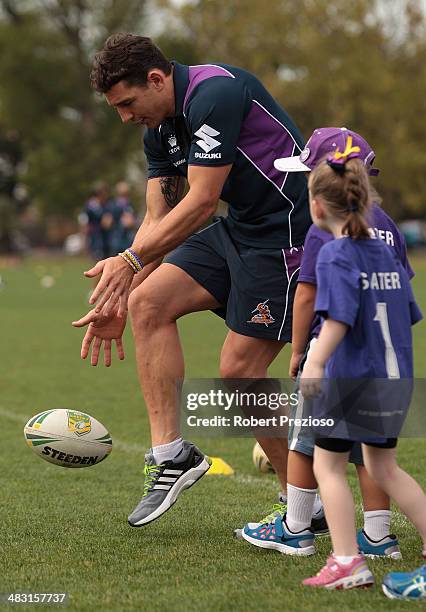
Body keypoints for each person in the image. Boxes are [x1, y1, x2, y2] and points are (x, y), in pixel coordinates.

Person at [72, 33, 312, 527]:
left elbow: (201, 201)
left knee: (240, 373)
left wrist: (132, 262)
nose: (125, 116)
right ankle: (172, 455)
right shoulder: (158, 130)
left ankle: (305, 506)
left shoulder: (215, 92)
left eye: (128, 103)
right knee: (148, 304)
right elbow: (156, 217)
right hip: (242, 229)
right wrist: (121, 288)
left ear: (157, 79)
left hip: (289, 233)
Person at [238, 128, 413, 559]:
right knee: (368, 453)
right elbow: (403, 293)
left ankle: (296, 526)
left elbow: (308, 294)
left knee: (306, 442)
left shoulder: (324, 231)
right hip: (384, 361)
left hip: (337, 359)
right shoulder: (387, 225)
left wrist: (301, 351)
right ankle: (378, 535)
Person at [298, 138, 426, 589]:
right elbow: (409, 313)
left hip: (353, 381)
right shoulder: (384, 250)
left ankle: (347, 562)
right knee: (384, 467)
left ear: (317, 208)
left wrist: (313, 364)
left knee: (327, 467)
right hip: (395, 377)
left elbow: (337, 319)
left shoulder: (334, 253)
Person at [111, 181, 138, 254]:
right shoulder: (123, 204)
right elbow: (129, 222)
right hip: (121, 237)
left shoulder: (115, 204)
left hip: (121, 237)